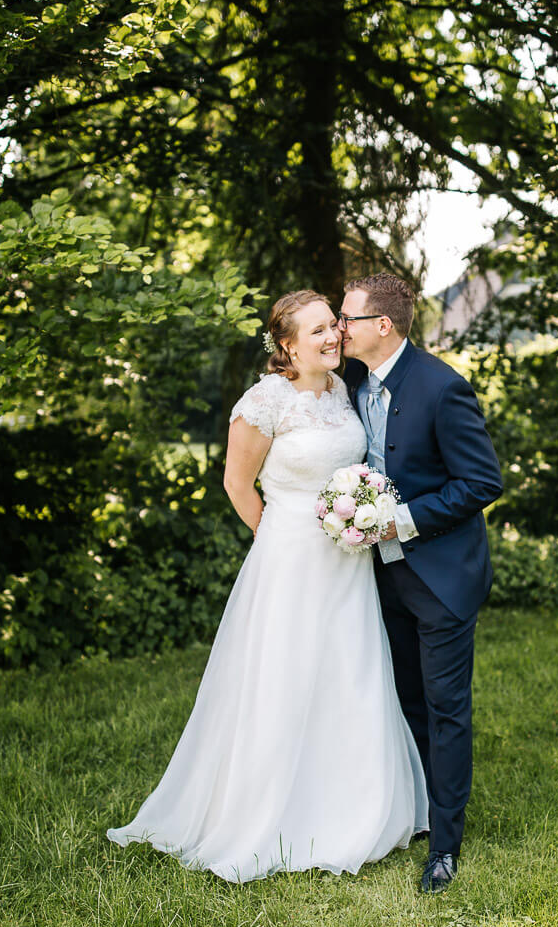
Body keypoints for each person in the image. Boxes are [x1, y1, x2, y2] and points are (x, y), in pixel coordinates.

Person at [107, 290, 427, 883]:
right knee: (284, 678)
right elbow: (237, 484)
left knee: (347, 673)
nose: (333, 337)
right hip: (290, 561)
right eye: (317, 332)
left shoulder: (342, 390)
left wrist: (352, 518)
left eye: (334, 325)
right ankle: (265, 813)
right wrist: (278, 536)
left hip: (346, 563)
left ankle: (353, 805)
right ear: (286, 345)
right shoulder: (265, 400)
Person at [340, 274, 503, 893]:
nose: (339, 328)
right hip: (376, 576)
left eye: (348, 318)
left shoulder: (442, 388)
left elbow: (482, 483)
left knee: (445, 708)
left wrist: (399, 521)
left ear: (383, 325)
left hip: (439, 576)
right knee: (402, 699)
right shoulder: (352, 383)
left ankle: (446, 844)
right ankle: (411, 810)